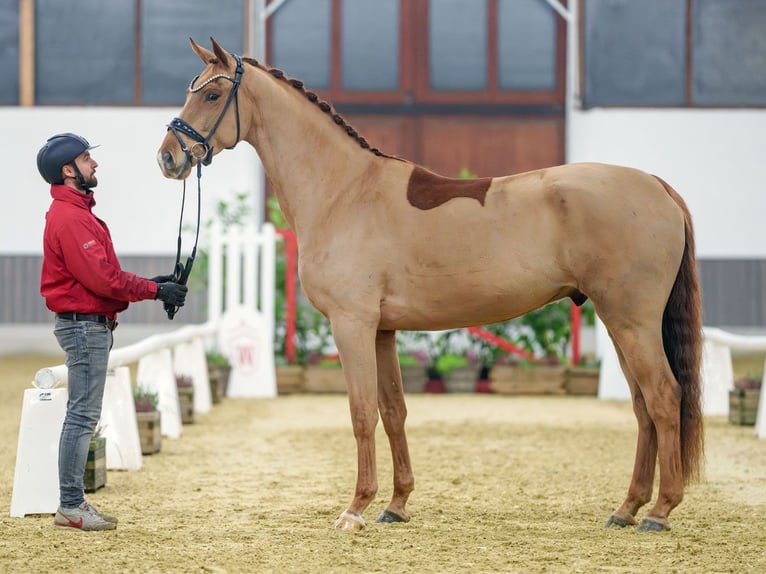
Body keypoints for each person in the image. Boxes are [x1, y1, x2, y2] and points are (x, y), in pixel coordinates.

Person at [36, 133, 188, 531]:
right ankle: (71, 504)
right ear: (68, 171)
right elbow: (103, 279)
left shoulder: (76, 213)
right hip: (84, 328)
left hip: (89, 325)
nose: (95, 165)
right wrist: (155, 290)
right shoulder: (70, 218)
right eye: (87, 159)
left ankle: (73, 502)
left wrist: (150, 284)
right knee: (82, 416)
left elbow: (103, 276)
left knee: (82, 415)